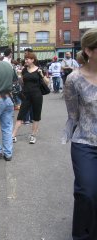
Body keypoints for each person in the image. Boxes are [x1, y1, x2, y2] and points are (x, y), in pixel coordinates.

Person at [63, 28, 97, 240]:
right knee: (87, 193)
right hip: (85, 142)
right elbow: (73, 115)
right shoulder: (73, 79)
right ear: (89, 50)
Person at [12, 52, 46, 144]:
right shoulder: (24, 70)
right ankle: (13, 135)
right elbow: (22, 82)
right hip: (26, 95)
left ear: (32, 60)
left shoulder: (39, 70)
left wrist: (41, 75)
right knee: (21, 115)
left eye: (27, 59)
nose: (25, 60)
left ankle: (33, 135)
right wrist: (19, 75)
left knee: (36, 116)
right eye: (25, 58)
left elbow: (47, 82)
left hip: (37, 96)